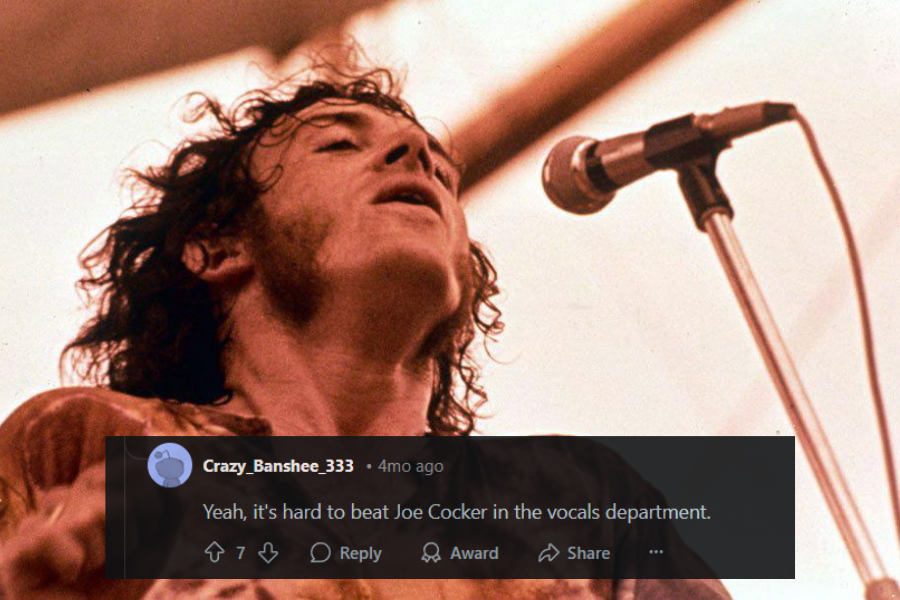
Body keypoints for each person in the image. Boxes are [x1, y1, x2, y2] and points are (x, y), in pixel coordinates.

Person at [0, 62, 729, 598]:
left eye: (440, 170)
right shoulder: (95, 438)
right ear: (218, 248)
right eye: (340, 146)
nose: (414, 156)